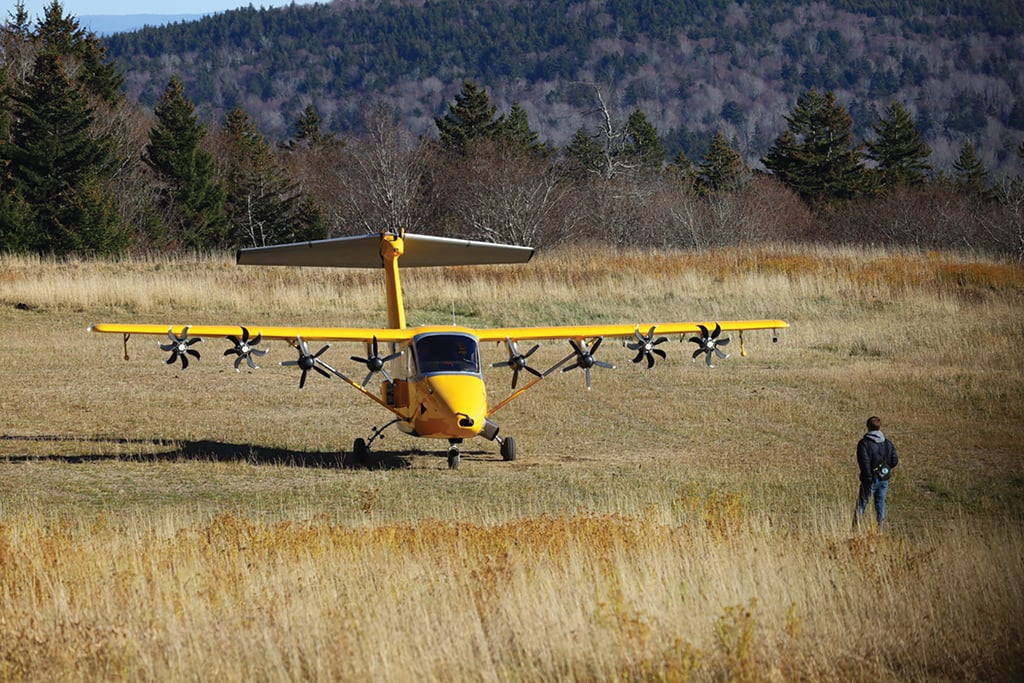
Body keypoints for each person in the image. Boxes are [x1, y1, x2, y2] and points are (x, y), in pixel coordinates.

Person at [853, 415, 899, 531]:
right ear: (879, 427)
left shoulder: (864, 443)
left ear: (868, 427)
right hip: (884, 479)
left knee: (862, 505)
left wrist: (868, 477)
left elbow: (864, 462)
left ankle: (855, 529)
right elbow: (894, 461)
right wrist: (885, 469)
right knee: (880, 505)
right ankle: (880, 530)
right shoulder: (888, 443)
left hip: (869, 480)